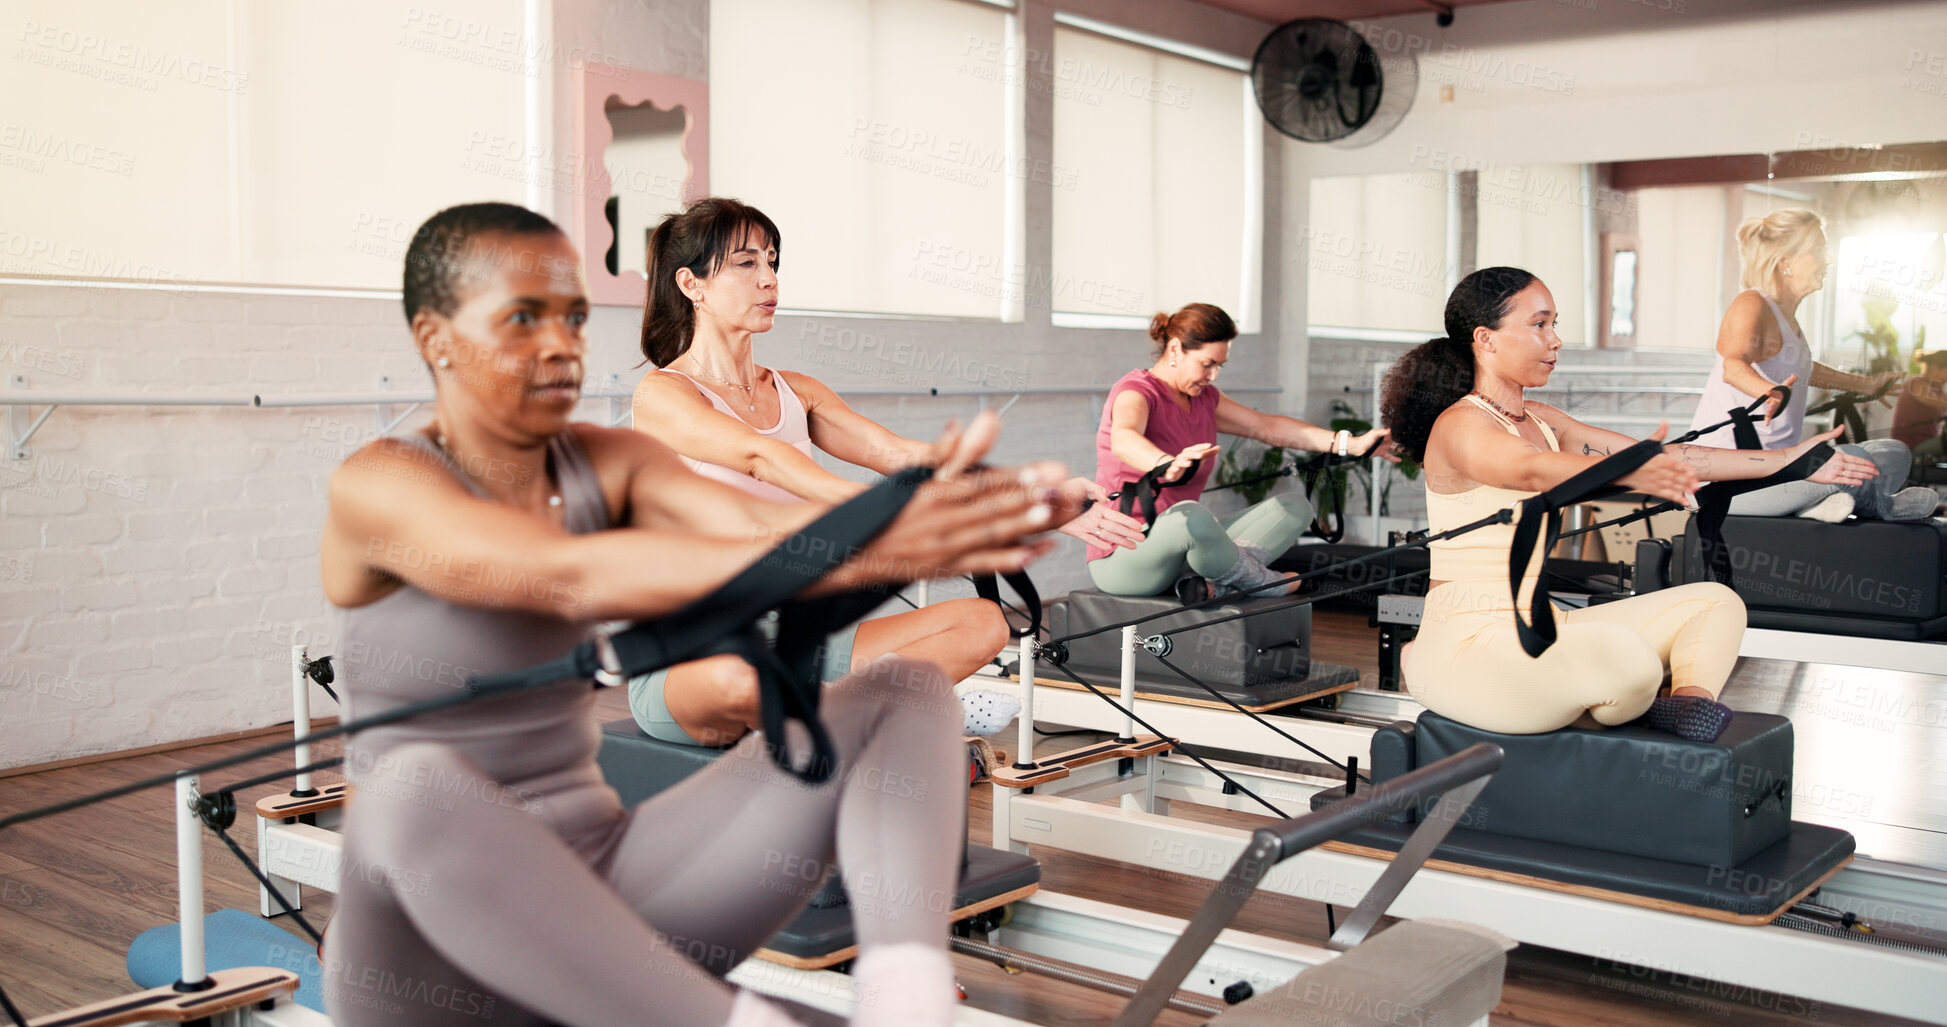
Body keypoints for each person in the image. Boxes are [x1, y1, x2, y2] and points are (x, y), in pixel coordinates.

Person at [318, 202, 1079, 1027]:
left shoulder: (610, 461)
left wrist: (972, 517)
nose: (559, 342)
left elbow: (762, 527)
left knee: (905, 695)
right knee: (410, 785)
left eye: (572, 315)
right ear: (435, 337)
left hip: (614, 902)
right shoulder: (383, 478)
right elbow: (545, 569)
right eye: (521, 317)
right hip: (430, 948)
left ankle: (905, 997)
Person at [630, 197, 1145, 746]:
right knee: (741, 679)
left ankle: (852, 712)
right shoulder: (664, 393)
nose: (769, 279)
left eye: (773, 261)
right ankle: (890, 709)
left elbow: (902, 455)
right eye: (746, 263)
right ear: (692, 285)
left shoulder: (797, 391)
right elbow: (763, 459)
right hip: (691, 653)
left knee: (983, 622)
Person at [1383, 267, 1876, 742]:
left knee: (1714, 603)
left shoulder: (1543, 419)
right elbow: (1532, 470)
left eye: (1555, 324)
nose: (1555, 340)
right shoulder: (1460, 424)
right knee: (1625, 657)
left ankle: (1684, 709)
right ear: (1485, 338)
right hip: (1469, 644)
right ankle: (1625, 699)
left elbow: (1669, 455)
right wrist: (1639, 473)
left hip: (1542, 620)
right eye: (1539, 324)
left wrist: (1789, 460)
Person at [1087, 302, 1389, 599]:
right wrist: (1166, 463)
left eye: (1220, 366)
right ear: (1176, 349)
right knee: (1189, 517)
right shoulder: (1137, 390)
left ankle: (1213, 587)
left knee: (1295, 507)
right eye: (1207, 364)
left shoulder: (1205, 399)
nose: (1214, 376)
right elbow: (1124, 438)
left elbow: (1268, 427)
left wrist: (1350, 443)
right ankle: (1268, 584)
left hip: (1184, 551)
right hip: (1125, 555)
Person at [1685, 208, 1935, 521]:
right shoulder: (1751, 303)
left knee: (1893, 453)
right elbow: (1733, 365)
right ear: (1785, 262)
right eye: (1817, 250)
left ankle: (1817, 504)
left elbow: (1801, 369)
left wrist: (1865, 384)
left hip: (1780, 470)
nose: (1828, 259)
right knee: (1851, 458)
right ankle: (1881, 507)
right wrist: (1769, 391)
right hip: (1730, 483)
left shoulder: (1784, 316)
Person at [1892, 350, 1947, 462]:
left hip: (1926, 445)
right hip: (1908, 447)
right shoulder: (1916, 383)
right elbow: (1937, 402)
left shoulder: (1939, 391)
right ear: (1936, 368)